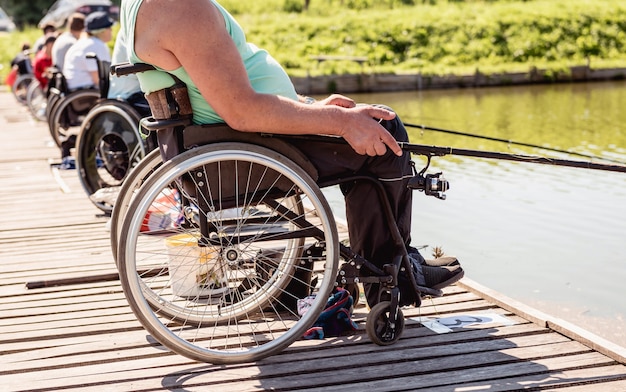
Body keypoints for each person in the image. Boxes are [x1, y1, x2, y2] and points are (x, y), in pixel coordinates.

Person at [119, 0, 463, 308]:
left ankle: (390, 261)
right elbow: (242, 111)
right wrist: (339, 122)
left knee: (370, 125)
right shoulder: (182, 8)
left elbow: (223, 93)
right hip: (247, 148)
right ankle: (393, 276)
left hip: (235, 140)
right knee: (385, 133)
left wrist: (311, 108)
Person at [63, 11, 113, 91]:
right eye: (109, 28)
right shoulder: (96, 45)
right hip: (85, 91)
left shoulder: (83, 42)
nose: (111, 30)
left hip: (74, 89)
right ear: (102, 31)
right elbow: (97, 79)